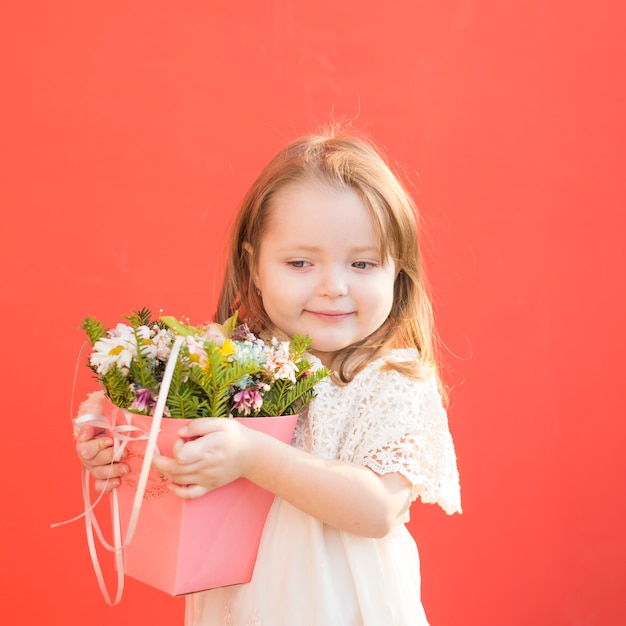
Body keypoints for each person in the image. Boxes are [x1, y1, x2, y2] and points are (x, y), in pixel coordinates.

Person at [75, 128, 462, 625]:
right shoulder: (230, 361)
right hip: (241, 604)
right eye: (300, 262)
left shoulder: (393, 381)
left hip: (341, 608)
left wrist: (255, 456)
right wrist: (120, 448)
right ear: (254, 268)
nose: (334, 287)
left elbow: (377, 510)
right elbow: (179, 449)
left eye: (362, 263)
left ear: (397, 272)